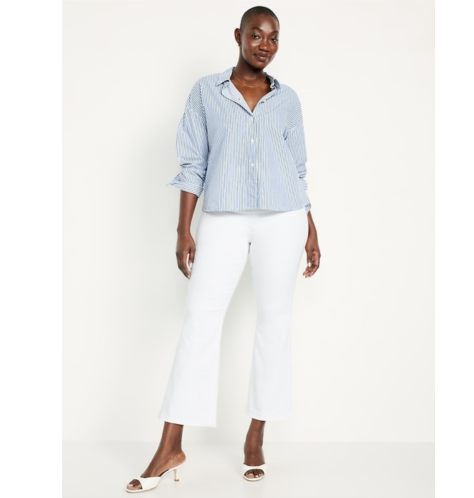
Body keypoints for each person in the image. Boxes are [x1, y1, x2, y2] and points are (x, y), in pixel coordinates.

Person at [126, 5, 321, 493]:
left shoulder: (288, 100)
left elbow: (297, 170)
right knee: (200, 321)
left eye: (273, 38)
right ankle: (171, 445)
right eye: (256, 35)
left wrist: (310, 226)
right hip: (222, 218)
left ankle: (255, 436)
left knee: (274, 323)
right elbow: (193, 163)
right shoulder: (206, 92)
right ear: (238, 35)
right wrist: (183, 229)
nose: (265, 45)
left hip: (284, 218)